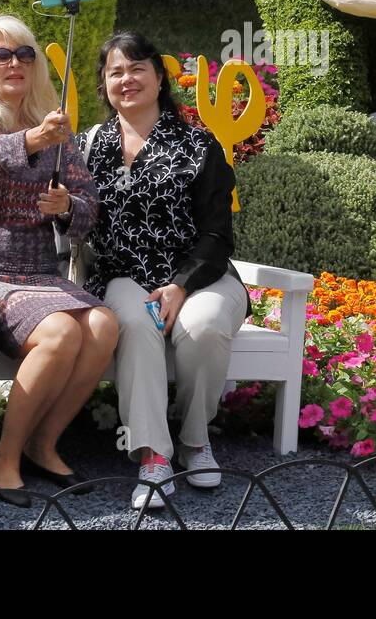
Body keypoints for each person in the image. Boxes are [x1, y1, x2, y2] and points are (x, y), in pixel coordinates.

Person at [0, 15, 117, 507]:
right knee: (61, 331)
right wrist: (35, 140)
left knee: (103, 324)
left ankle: (44, 443)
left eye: (24, 54)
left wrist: (68, 208)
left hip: (40, 272)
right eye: (1, 55)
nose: (15, 63)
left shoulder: (53, 123)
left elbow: (88, 205)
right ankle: (3, 458)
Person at [79, 31, 251, 510]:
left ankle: (196, 440)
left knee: (205, 326)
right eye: (115, 71)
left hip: (201, 274)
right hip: (122, 276)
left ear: (159, 78)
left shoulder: (198, 145)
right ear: (104, 84)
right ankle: (154, 455)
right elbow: (74, 218)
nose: (126, 79)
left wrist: (180, 285)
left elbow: (218, 235)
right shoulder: (88, 145)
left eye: (137, 68)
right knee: (134, 323)